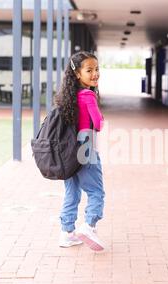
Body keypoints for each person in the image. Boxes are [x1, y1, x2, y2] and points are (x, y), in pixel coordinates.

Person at [53, 51, 106, 251]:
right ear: (78, 74)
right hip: (85, 146)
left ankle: (67, 233)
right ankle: (89, 226)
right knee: (96, 191)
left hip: (68, 150)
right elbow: (98, 124)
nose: (95, 74)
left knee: (72, 191)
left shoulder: (67, 97)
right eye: (89, 70)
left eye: (97, 69)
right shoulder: (88, 95)